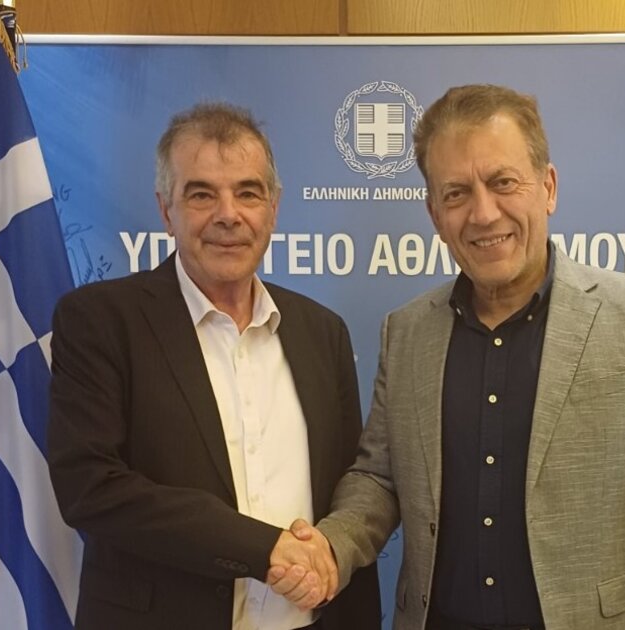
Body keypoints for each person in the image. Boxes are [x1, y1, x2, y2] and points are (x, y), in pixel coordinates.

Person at [271, 85, 625, 630]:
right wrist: (332, 544)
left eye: (503, 182)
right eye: (457, 193)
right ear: (435, 213)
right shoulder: (407, 332)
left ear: (548, 187)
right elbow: (380, 478)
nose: (484, 213)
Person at [47, 102, 380, 629]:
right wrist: (263, 548)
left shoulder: (323, 332)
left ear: (273, 208)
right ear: (166, 211)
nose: (229, 214)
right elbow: (91, 487)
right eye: (202, 194)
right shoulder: (100, 320)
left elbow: (348, 484)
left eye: (248, 193)